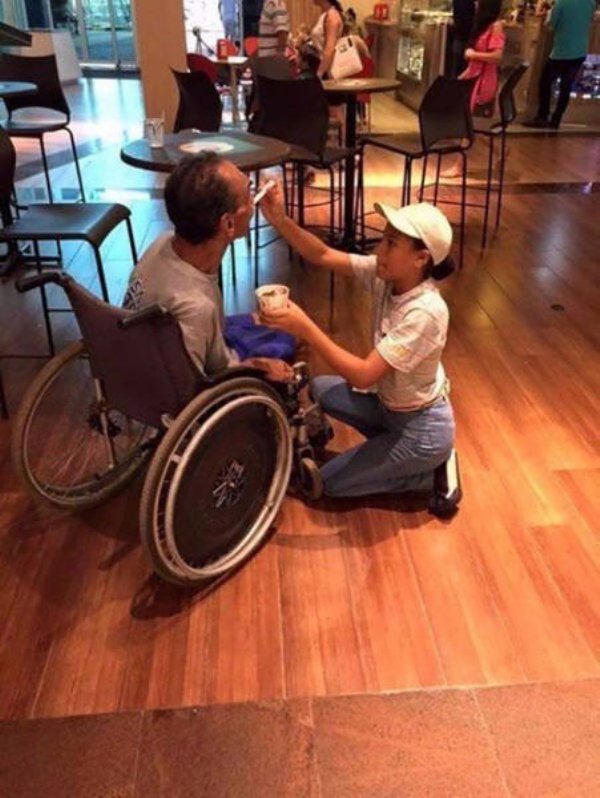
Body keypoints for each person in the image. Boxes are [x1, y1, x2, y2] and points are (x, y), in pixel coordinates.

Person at [258, 184, 461, 510]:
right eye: (384, 239)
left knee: (329, 484)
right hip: (388, 408)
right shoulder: (388, 275)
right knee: (322, 388)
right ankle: (390, 456)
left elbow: (365, 376)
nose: (380, 250)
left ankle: (428, 473)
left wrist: (306, 328)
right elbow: (321, 254)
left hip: (421, 429)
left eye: (391, 244)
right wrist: (280, 220)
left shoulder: (425, 311)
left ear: (420, 259)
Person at [123, 154, 293, 382]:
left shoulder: (162, 243)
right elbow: (191, 391)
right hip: (203, 386)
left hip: (142, 353)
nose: (254, 200)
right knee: (292, 340)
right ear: (228, 224)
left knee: (273, 322)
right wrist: (253, 366)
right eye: (249, 192)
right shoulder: (195, 308)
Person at [441, 0, 506, 178]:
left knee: (468, 122)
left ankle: (459, 165)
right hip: (475, 77)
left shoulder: (496, 26)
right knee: (471, 125)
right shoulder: (482, 26)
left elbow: (497, 56)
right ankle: (500, 151)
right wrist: (461, 78)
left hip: (484, 81)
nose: (475, 4)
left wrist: (474, 55)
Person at [524, 0, 595, 129]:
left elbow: (550, 26)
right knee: (566, 87)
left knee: (545, 82)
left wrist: (545, 14)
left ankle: (542, 116)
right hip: (580, 51)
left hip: (561, 51)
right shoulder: (590, 3)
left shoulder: (561, 3)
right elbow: (590, 20)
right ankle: (556, 120)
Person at [450, 0, 476, 77]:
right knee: (464, 68)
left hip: (459, 36)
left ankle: (454, 86)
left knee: (457, 67)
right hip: (467, 36)